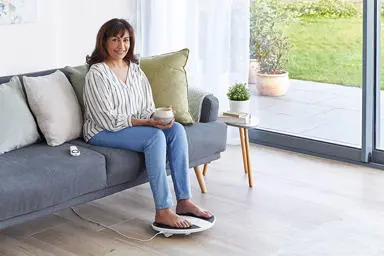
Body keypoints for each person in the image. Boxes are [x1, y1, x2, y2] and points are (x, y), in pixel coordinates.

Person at [83, 18, 213, 228]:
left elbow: (146, 105)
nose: (121, 45)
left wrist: (157, 116)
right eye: (115, 39)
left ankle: (184, 200)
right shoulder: (97, 74)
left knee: (176, 130)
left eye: (125, 40)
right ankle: (162, 210)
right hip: (102, 131)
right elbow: (106, 119)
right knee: (154, 137)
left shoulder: (134, 70)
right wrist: (147, 123)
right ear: (104, 42)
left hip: (131, 125)